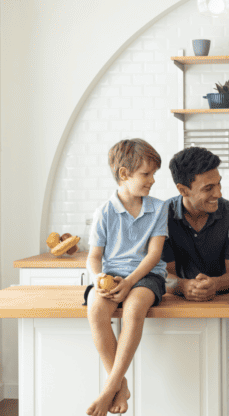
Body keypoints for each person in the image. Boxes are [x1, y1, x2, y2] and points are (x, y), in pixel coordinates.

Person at [84, 138, 169, 416]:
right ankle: (120, 384)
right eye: (146, 174)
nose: (153, 180)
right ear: (124, 174)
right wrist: (97, 278)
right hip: (110, 276)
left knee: (134, 309)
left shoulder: (158, 208)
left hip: (145, 276)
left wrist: (130, 282)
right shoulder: (104, 212)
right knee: (96, 311)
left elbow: (154, 255)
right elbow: (94, 258)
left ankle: (109, 389)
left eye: (154, 174)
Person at [161, 147, 229, 301]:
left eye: (218, 184)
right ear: (183, 190)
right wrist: (183, 286)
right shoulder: (162, 216)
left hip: (223, 300)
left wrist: (215, 284)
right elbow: (162, 273)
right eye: (208, 188)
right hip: (178, 301)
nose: (218, 194)